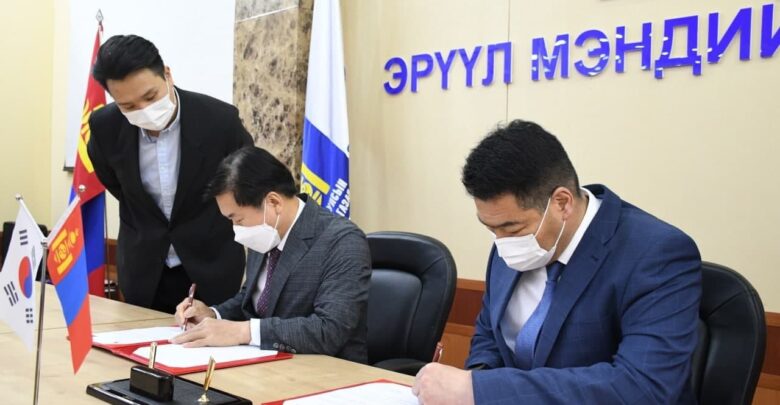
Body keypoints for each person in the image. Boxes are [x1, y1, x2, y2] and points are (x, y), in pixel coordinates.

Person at [413, 120, 702, 404]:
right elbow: (489, 336)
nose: (501, 243)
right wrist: (475, 378)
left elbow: (642, 387)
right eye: (491, 229)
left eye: (512, 229)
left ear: (562, 203)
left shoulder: (655, 253)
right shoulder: (507, 243)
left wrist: (481, 390)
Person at [87, 35, 253, 313]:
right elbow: (118, 185)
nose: (144, 111)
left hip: (211, 266)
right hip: (143, 270)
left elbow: (245, 181)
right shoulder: (105, 127)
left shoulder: (219, 120)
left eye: (150, 97)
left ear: (167, 74)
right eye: (128, 106)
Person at [171, 146, 371, 364]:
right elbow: (253, 300)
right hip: (267, 363)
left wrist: (242, 332)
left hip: (328, 371)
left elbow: (329, 330)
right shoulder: (266, 231)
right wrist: (213, 314)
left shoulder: (342, 241)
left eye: (238, 219)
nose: (236, 230)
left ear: (273, 202)